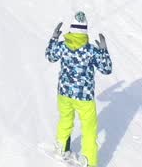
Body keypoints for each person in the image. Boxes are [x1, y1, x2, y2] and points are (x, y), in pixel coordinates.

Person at [47, 12, 113, 166]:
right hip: (84, 97)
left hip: (64, 93)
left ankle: (61, 149)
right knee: (89, 129)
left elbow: (50, 56)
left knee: (65, 120)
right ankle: (89, 160)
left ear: (71, 29)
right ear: (85, 31)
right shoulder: (91, 50)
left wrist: (54, 38)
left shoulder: (63, 46)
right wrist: (103, 51)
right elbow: (106, 69)